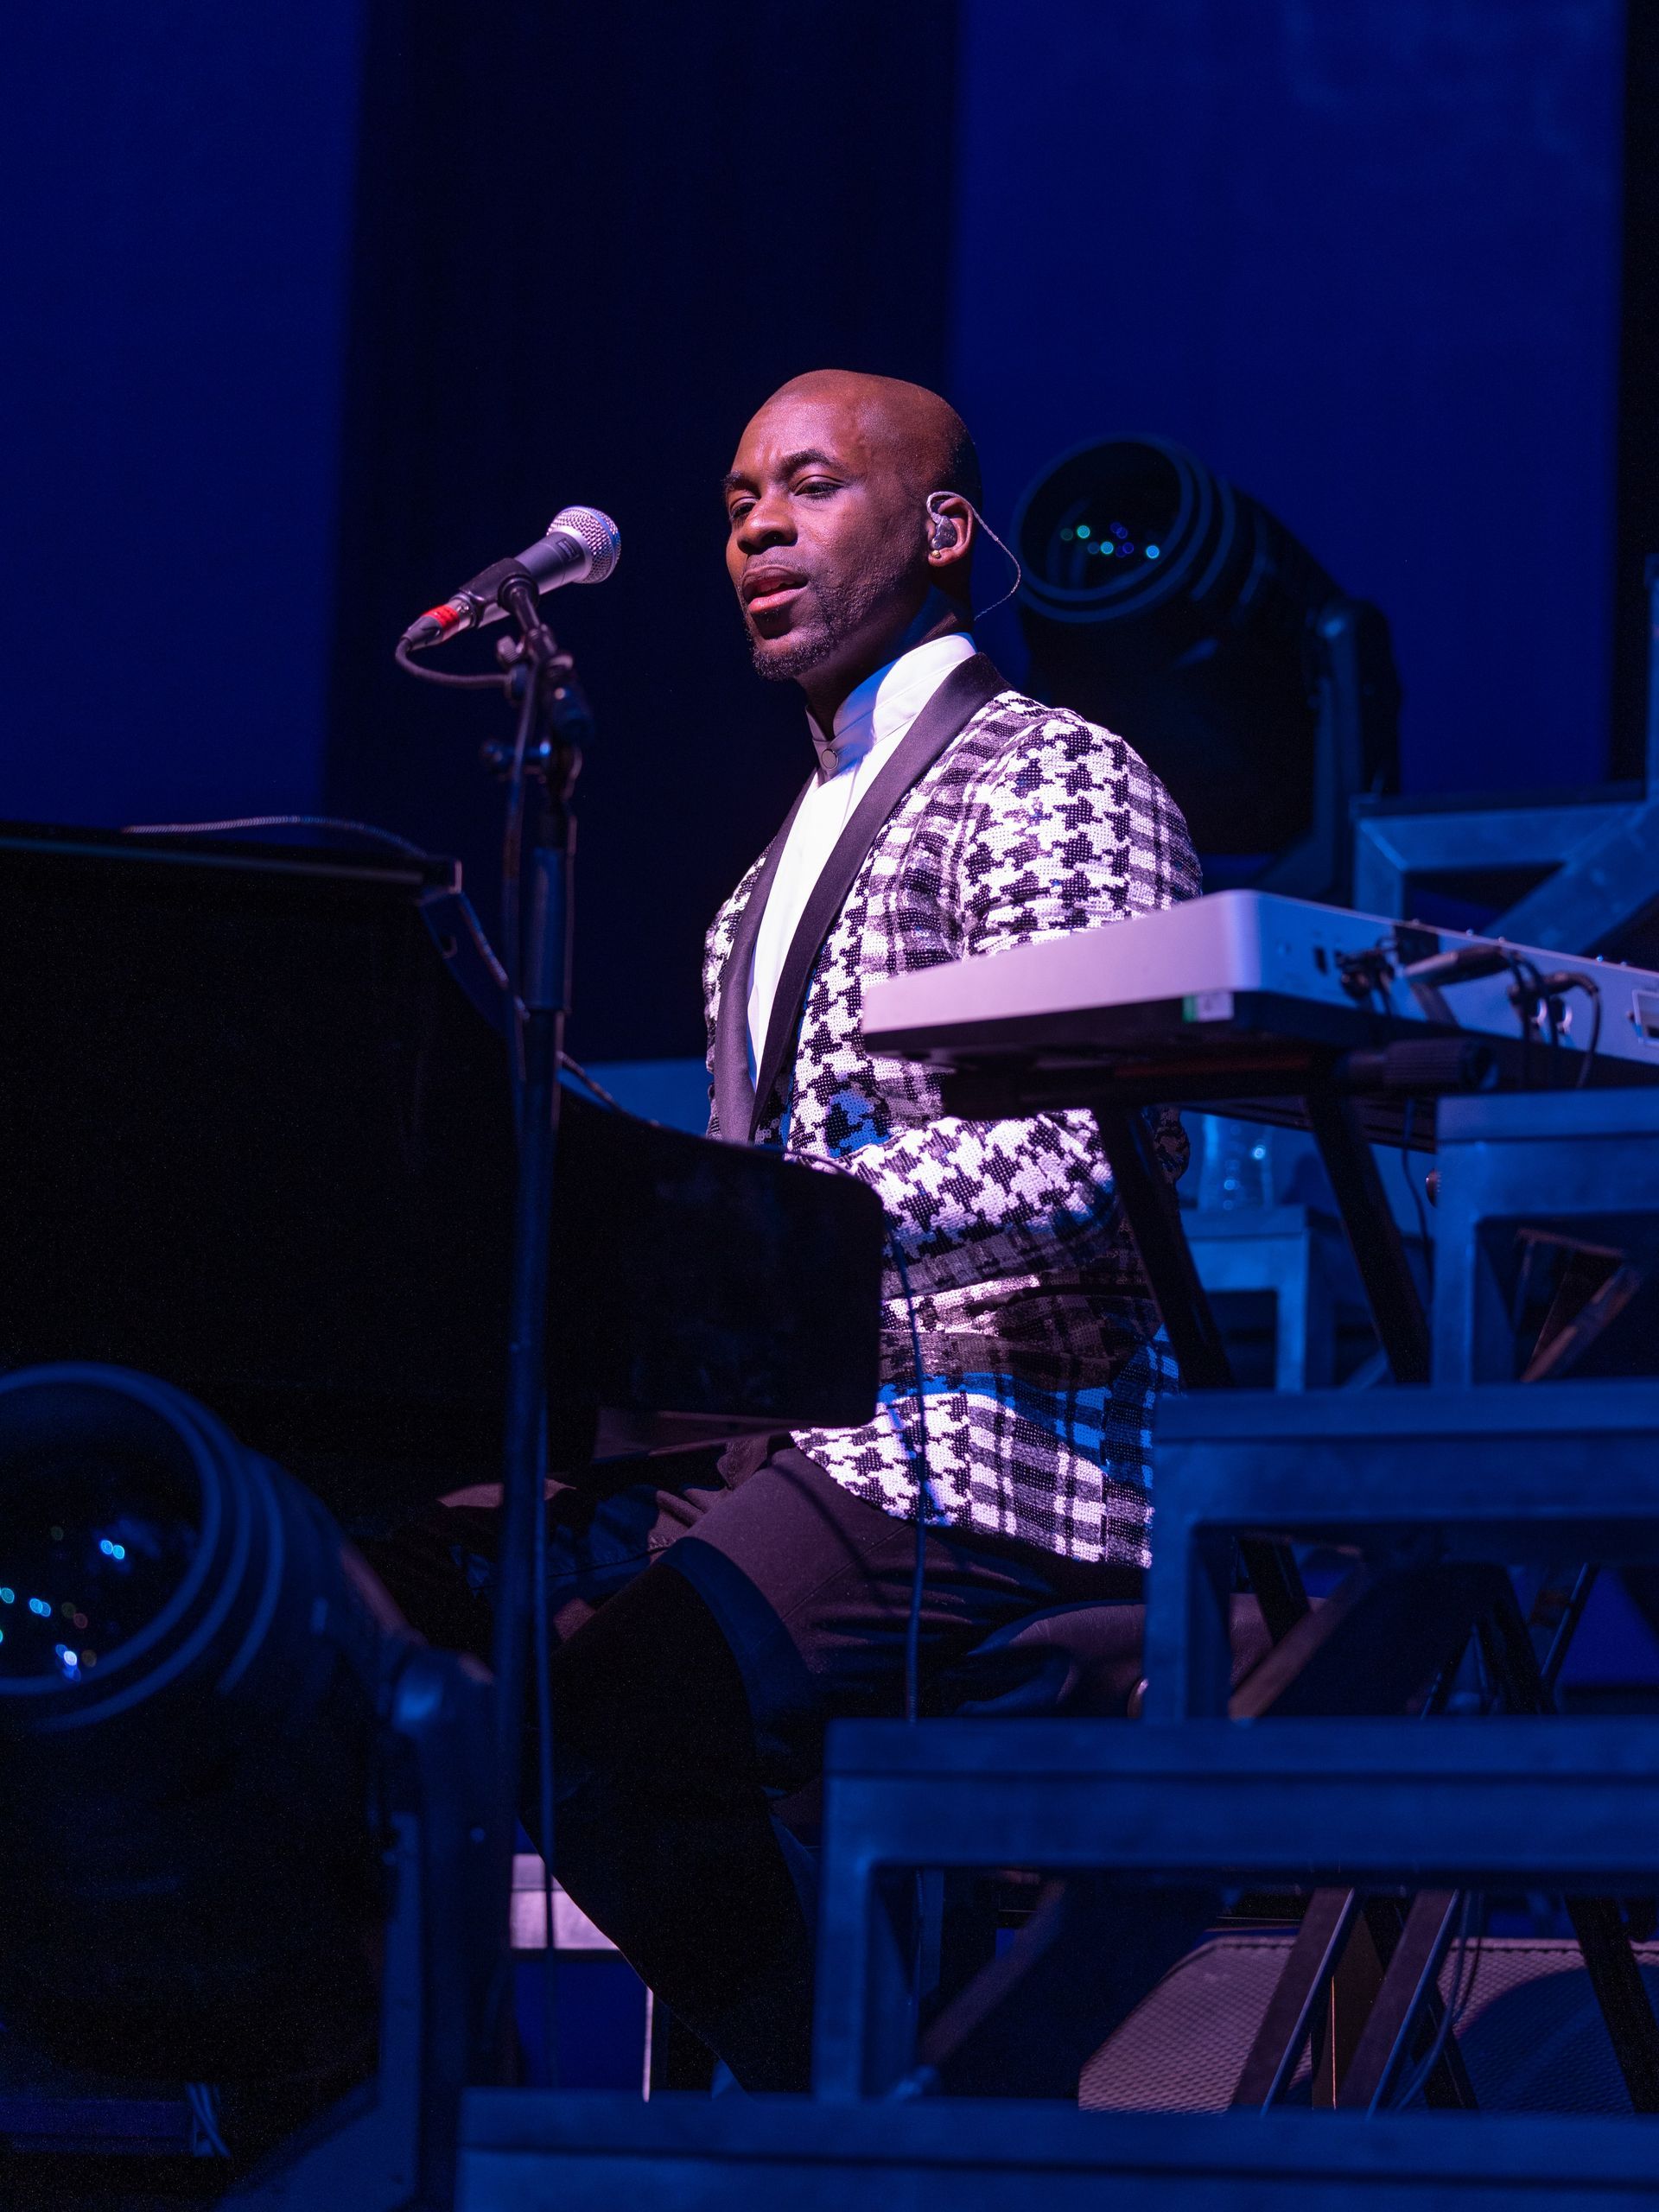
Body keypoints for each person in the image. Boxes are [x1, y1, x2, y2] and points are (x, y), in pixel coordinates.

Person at [376, 370, 1199, 2092]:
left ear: (946, 529)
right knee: (406, 1589)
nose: (759, 525)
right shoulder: (755, 884)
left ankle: (863, 2099)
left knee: (615, 1711)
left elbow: (1088, 1158)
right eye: (742, 495)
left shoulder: (1047, 775)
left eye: (812, 486)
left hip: (993, 1442)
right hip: (814, 1437)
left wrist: (756, 1240)